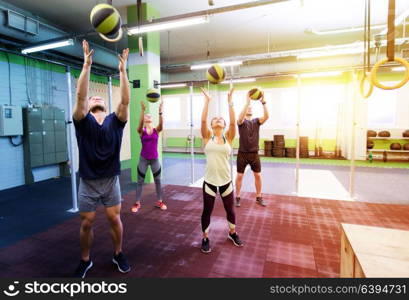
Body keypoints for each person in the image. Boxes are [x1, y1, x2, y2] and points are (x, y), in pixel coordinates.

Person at [73, 40, 131, 278]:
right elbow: (80, 97)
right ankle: (85, 260)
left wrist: (123, 71)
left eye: (100, 99)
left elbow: (125, 101)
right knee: (86, 223)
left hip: (110, 180)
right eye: (92, 99)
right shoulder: (82, 120)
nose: (95, 98)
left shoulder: (115, 122)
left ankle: (118, 253)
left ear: (106, 107)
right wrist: (86, 66)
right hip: (87, 181)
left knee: (113, 218)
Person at [199, 87, 243, 254]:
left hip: (226, 181)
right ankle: (205, 237)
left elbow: (233, 122)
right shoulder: (206, 136)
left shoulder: (229, 137)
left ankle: (232, 233)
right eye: (215, 119)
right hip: (209, 181)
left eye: (220, 119)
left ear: (224, 125)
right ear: (212, 125)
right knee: (207, 211)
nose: (218, 120)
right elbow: (203, 122)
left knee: (230, 210)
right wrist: (207, 102)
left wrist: (230, 101)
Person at [235, 91, 269, 207]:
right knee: (239, 176)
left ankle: (259, 196)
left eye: (250, 108)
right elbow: (239, 117)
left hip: (254, 154)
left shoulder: (256, 121)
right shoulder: (241, 122)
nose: (249, 109)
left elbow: (267, 117)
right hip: (242, 154)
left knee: (258, 175)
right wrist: (247, 102)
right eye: (247, 108)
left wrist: (263, 102)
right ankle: (238, 196)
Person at [131, 100, 166, 213]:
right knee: (140, 181)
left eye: (150, 116)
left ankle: (160, 201)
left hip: (155, 159)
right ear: (144, 119)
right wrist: (142, 110)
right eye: (147, 116)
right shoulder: (141, 131)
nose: (148, 116)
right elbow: (140, 124)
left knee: (158, 181)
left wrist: (160, 112)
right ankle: (137, 203)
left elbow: (162, 125)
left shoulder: (156, 130)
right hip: (144, 159)